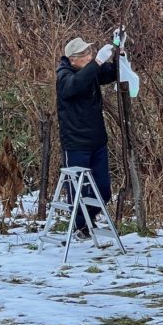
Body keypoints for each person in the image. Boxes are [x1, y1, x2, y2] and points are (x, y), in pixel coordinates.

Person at [55, 36, 119, 238]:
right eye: (85, 54)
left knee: (104, 190)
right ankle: (80, 226)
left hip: (97, 141)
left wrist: (120, 52)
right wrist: (97, 62)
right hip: (75, 143)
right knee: (78, 191)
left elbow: (112, 73)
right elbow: (75, 86)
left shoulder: (89, 70)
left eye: (90, 53)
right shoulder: (64, 76)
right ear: (73, 59)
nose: (90, 57)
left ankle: (87, 219)